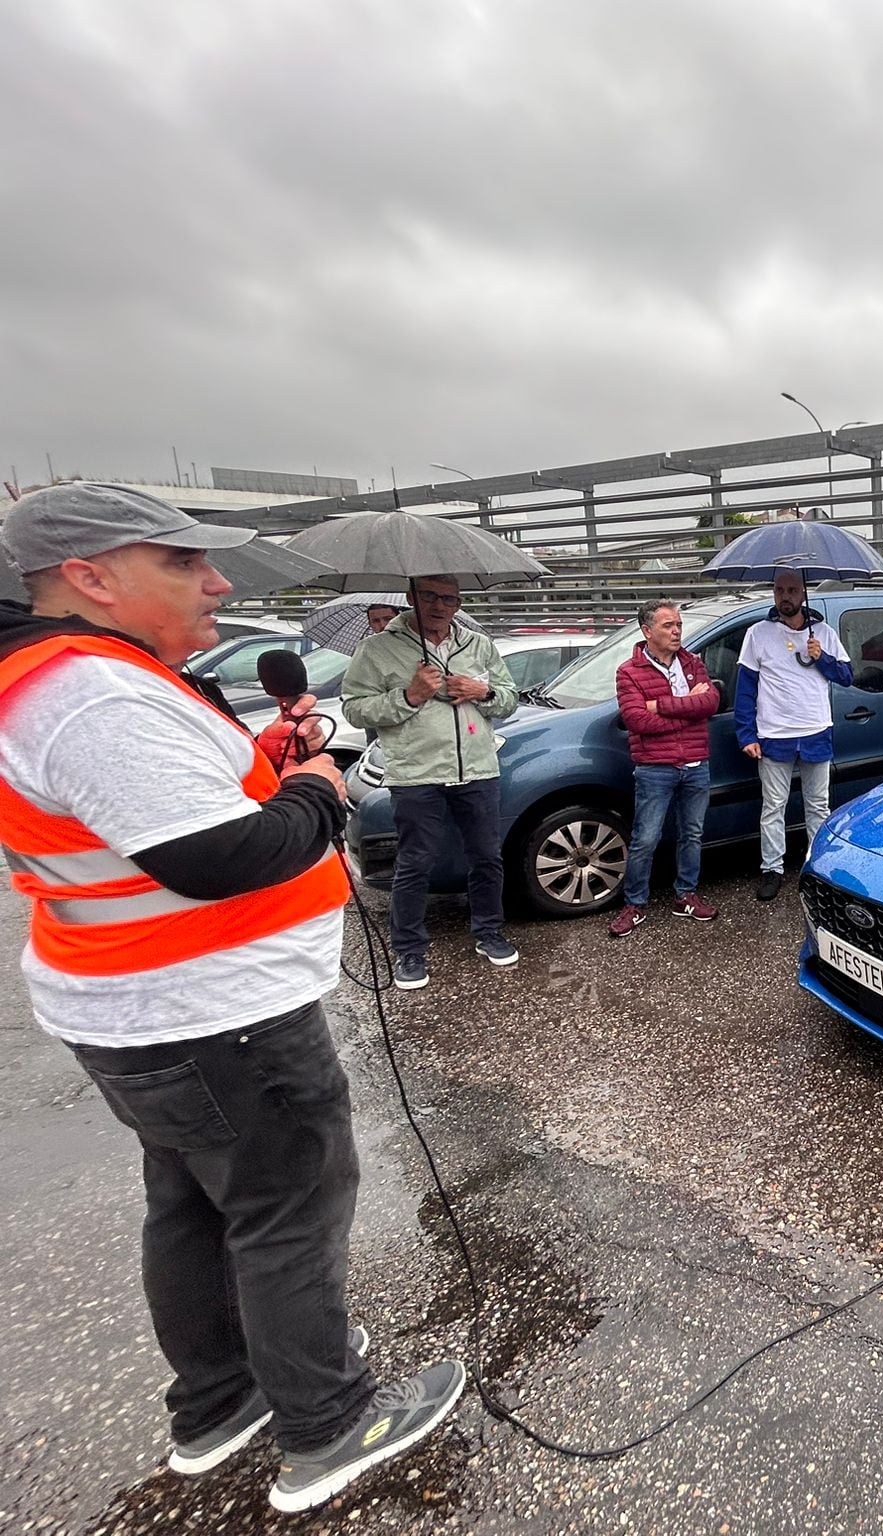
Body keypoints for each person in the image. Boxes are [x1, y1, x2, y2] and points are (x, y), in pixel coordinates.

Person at [0, 484, 464, 1514]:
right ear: (90, 577)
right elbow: (220, 855)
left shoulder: (78, 679)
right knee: (288, 1211)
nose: (216, 582)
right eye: (182, 562)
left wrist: (267, 761)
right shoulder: (95, 697)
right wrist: (317, 792)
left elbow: (164, 814)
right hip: (215, 1021)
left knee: (197, 1207)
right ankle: (331, 1425)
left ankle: (221, 1403)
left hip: (146, 1012)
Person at [340, 574, 522, 990]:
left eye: (451, 599)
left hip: (477, 768)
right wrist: (409, 696)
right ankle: (409, 949)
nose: (441, 607)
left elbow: (510, 698)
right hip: (416, 773)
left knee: (486, 857)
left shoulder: (477, 644)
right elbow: (354, 709)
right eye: (431, 597)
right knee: (415, 862)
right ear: (411, 598)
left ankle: (489, 932)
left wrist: (483, 690)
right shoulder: (378, 648)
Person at [736, 569, 852, 902]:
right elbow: (745, 689)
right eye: (779, 590)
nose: (785, 596)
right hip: (774, 734)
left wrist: (822, 657)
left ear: (803, 594)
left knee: (819, 806)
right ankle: (771, 868)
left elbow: (846, 675)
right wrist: (746, 734)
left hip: (816, 730)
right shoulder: (757, 634)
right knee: (773, 806)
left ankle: (817, 865)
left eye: (792, 590)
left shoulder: (824, 633)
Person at [610, 598, 721, 938]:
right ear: (647, 630)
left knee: (692, 833)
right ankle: (635, 904)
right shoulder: (629, 671)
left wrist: (662, 706)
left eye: (678, 625)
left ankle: (685, 894)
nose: (676, 631)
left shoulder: (692, 663)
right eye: (668, 626)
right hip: (655, 767)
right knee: (646, 838)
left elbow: (711, 702)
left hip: (695, 764)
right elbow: (636, 720)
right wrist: (689, 712)